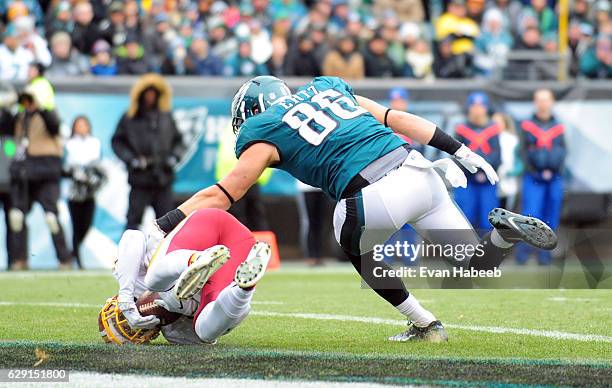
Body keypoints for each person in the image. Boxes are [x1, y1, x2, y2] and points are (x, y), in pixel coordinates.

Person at [151, 76, 557, 342]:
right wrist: (460, 149)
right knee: (476, 264)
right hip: (420, 171)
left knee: (351, 241)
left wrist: (166, 223)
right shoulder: (327, 88)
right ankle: (504, 232)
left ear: (251, 114)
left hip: (374, 193)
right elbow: (395, 117)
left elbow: (224, 193)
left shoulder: (263, 130)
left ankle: (424, 323)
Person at [101, 209, 271, 345]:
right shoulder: (176, 334)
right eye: (130, 331)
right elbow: (216, 332)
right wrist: (182, 309)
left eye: (121, 321)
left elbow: (133, 236)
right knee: (205, 330)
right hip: (238, 251)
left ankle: (196, 260)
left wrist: (126, 296)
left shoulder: (128, 278)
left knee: (153, 281)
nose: (130, 324)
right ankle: (244, 289)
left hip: (209, 228)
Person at [111, 74, 184, 230]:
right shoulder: (130, 117)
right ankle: (128, 254)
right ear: (141, 95)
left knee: (168, 223)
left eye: (153, 93)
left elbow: (179, 141)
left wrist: (173, 157)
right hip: (140, 178)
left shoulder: (165, 116)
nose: (150, 97)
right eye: (147, 93)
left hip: (163, 178)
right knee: (133, 221)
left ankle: (166, 254)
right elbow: (117, 142)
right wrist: (131, 159)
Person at [9, 85, 71, 270]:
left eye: (30, 100)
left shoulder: (48, 115)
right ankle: (19, 259)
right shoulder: (20, 118)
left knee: (51, 217)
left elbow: (54, 126)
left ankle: (64, 259)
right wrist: (9, 103)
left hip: (46, 172)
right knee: (16, 216)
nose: (27, 104)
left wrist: (40, 106)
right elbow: (8, 134)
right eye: (25, 101)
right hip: (24, 173)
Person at [516, 89, 566, 265]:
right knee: (531, 214)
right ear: (535, 102)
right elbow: (522, 151)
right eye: (539, 100)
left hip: (554, 178)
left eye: (546, 100)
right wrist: (534, 170)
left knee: (551, 214)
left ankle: (545, 254)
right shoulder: (526, 125)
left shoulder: (559, 126)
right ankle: (523, 254)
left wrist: (555, 169)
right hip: (533, 177)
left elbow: (563, 150)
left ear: (552, 102)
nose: (543, 104)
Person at [453, 92, 501, 230]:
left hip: (487, 181)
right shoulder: (461, 129)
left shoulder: (493, 129)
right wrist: (473, 172)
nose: (477, 109)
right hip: (467, 180)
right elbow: (456, 154)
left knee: (488, 220)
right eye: (474, 105)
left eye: (481, 106)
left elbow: (497, 155)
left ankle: (487, 251)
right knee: (465, 218)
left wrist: (483, 171)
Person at [64, 115, 105, 269]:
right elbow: (65, 166)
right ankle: (78, 261)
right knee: (75, 225)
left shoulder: (95, 143)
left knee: (86, 224)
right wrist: (75, 172)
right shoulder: (68, 144)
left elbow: (99, 165)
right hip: (74, 192)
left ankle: (72, 253)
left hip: (90, 191)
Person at [493, 112, 521, 211]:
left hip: (508, 180)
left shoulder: (512, 139)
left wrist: (511, 172)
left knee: (506, 209)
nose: (495, 125)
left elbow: (519, 161)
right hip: (492, 180)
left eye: (498, 122)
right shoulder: (489, 137)